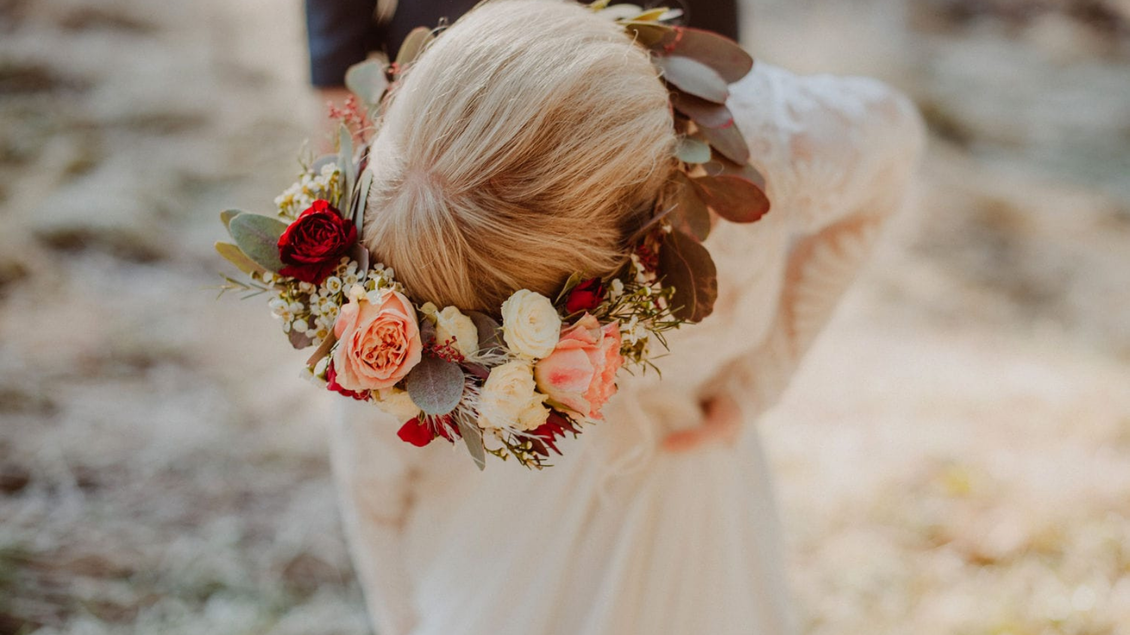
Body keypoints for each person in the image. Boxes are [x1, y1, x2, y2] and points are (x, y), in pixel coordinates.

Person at [329, 1, 926, 633]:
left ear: (621, 249)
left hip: (681, 492)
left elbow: (892, 156)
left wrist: (761, 378)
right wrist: (398, 616)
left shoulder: (770, 148)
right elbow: (373, 481)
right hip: (497, 513)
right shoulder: (401, 234)